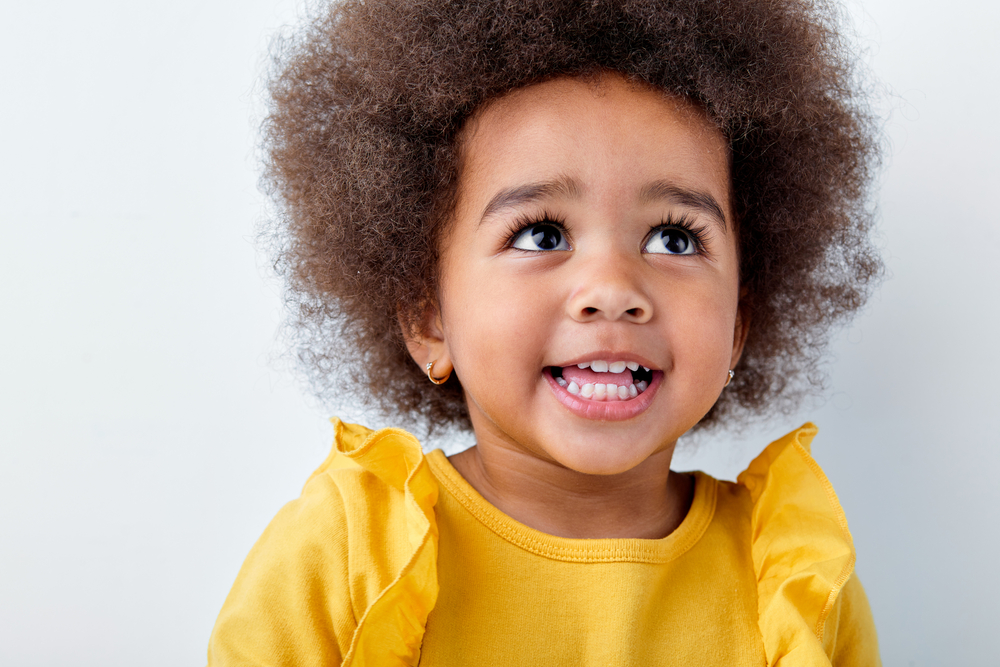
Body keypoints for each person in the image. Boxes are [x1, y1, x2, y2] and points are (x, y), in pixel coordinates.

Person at [208, 0, 883, 664]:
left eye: (675, 237)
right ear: (426, 316)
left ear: (737, 322)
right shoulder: (347, 557)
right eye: (542, 234)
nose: (614, 289)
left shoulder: (793, 576)